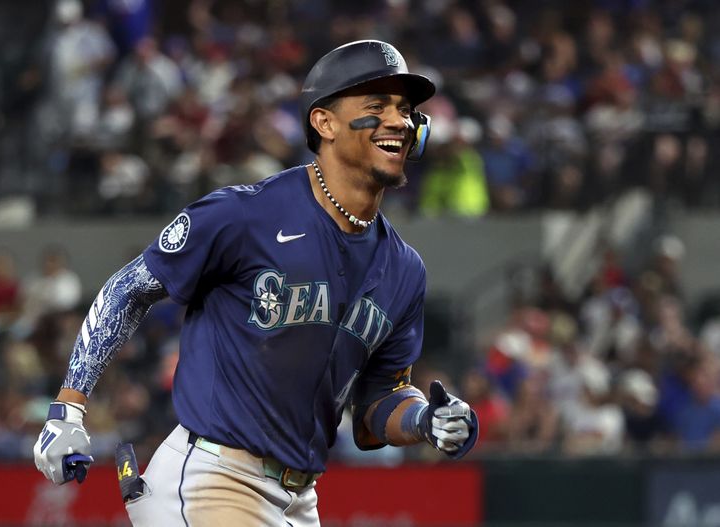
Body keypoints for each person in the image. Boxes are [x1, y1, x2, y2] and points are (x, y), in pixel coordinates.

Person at [33, 40, 479, 526]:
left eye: (405, 111)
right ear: (324, 123)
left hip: (300, 498)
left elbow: (377, 401)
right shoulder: (247, 213)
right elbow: (131, 287)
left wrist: (426, 421)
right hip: (213, 477)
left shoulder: (404, 270)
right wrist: (69, 408)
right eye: (376, 107)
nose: (399, 121)